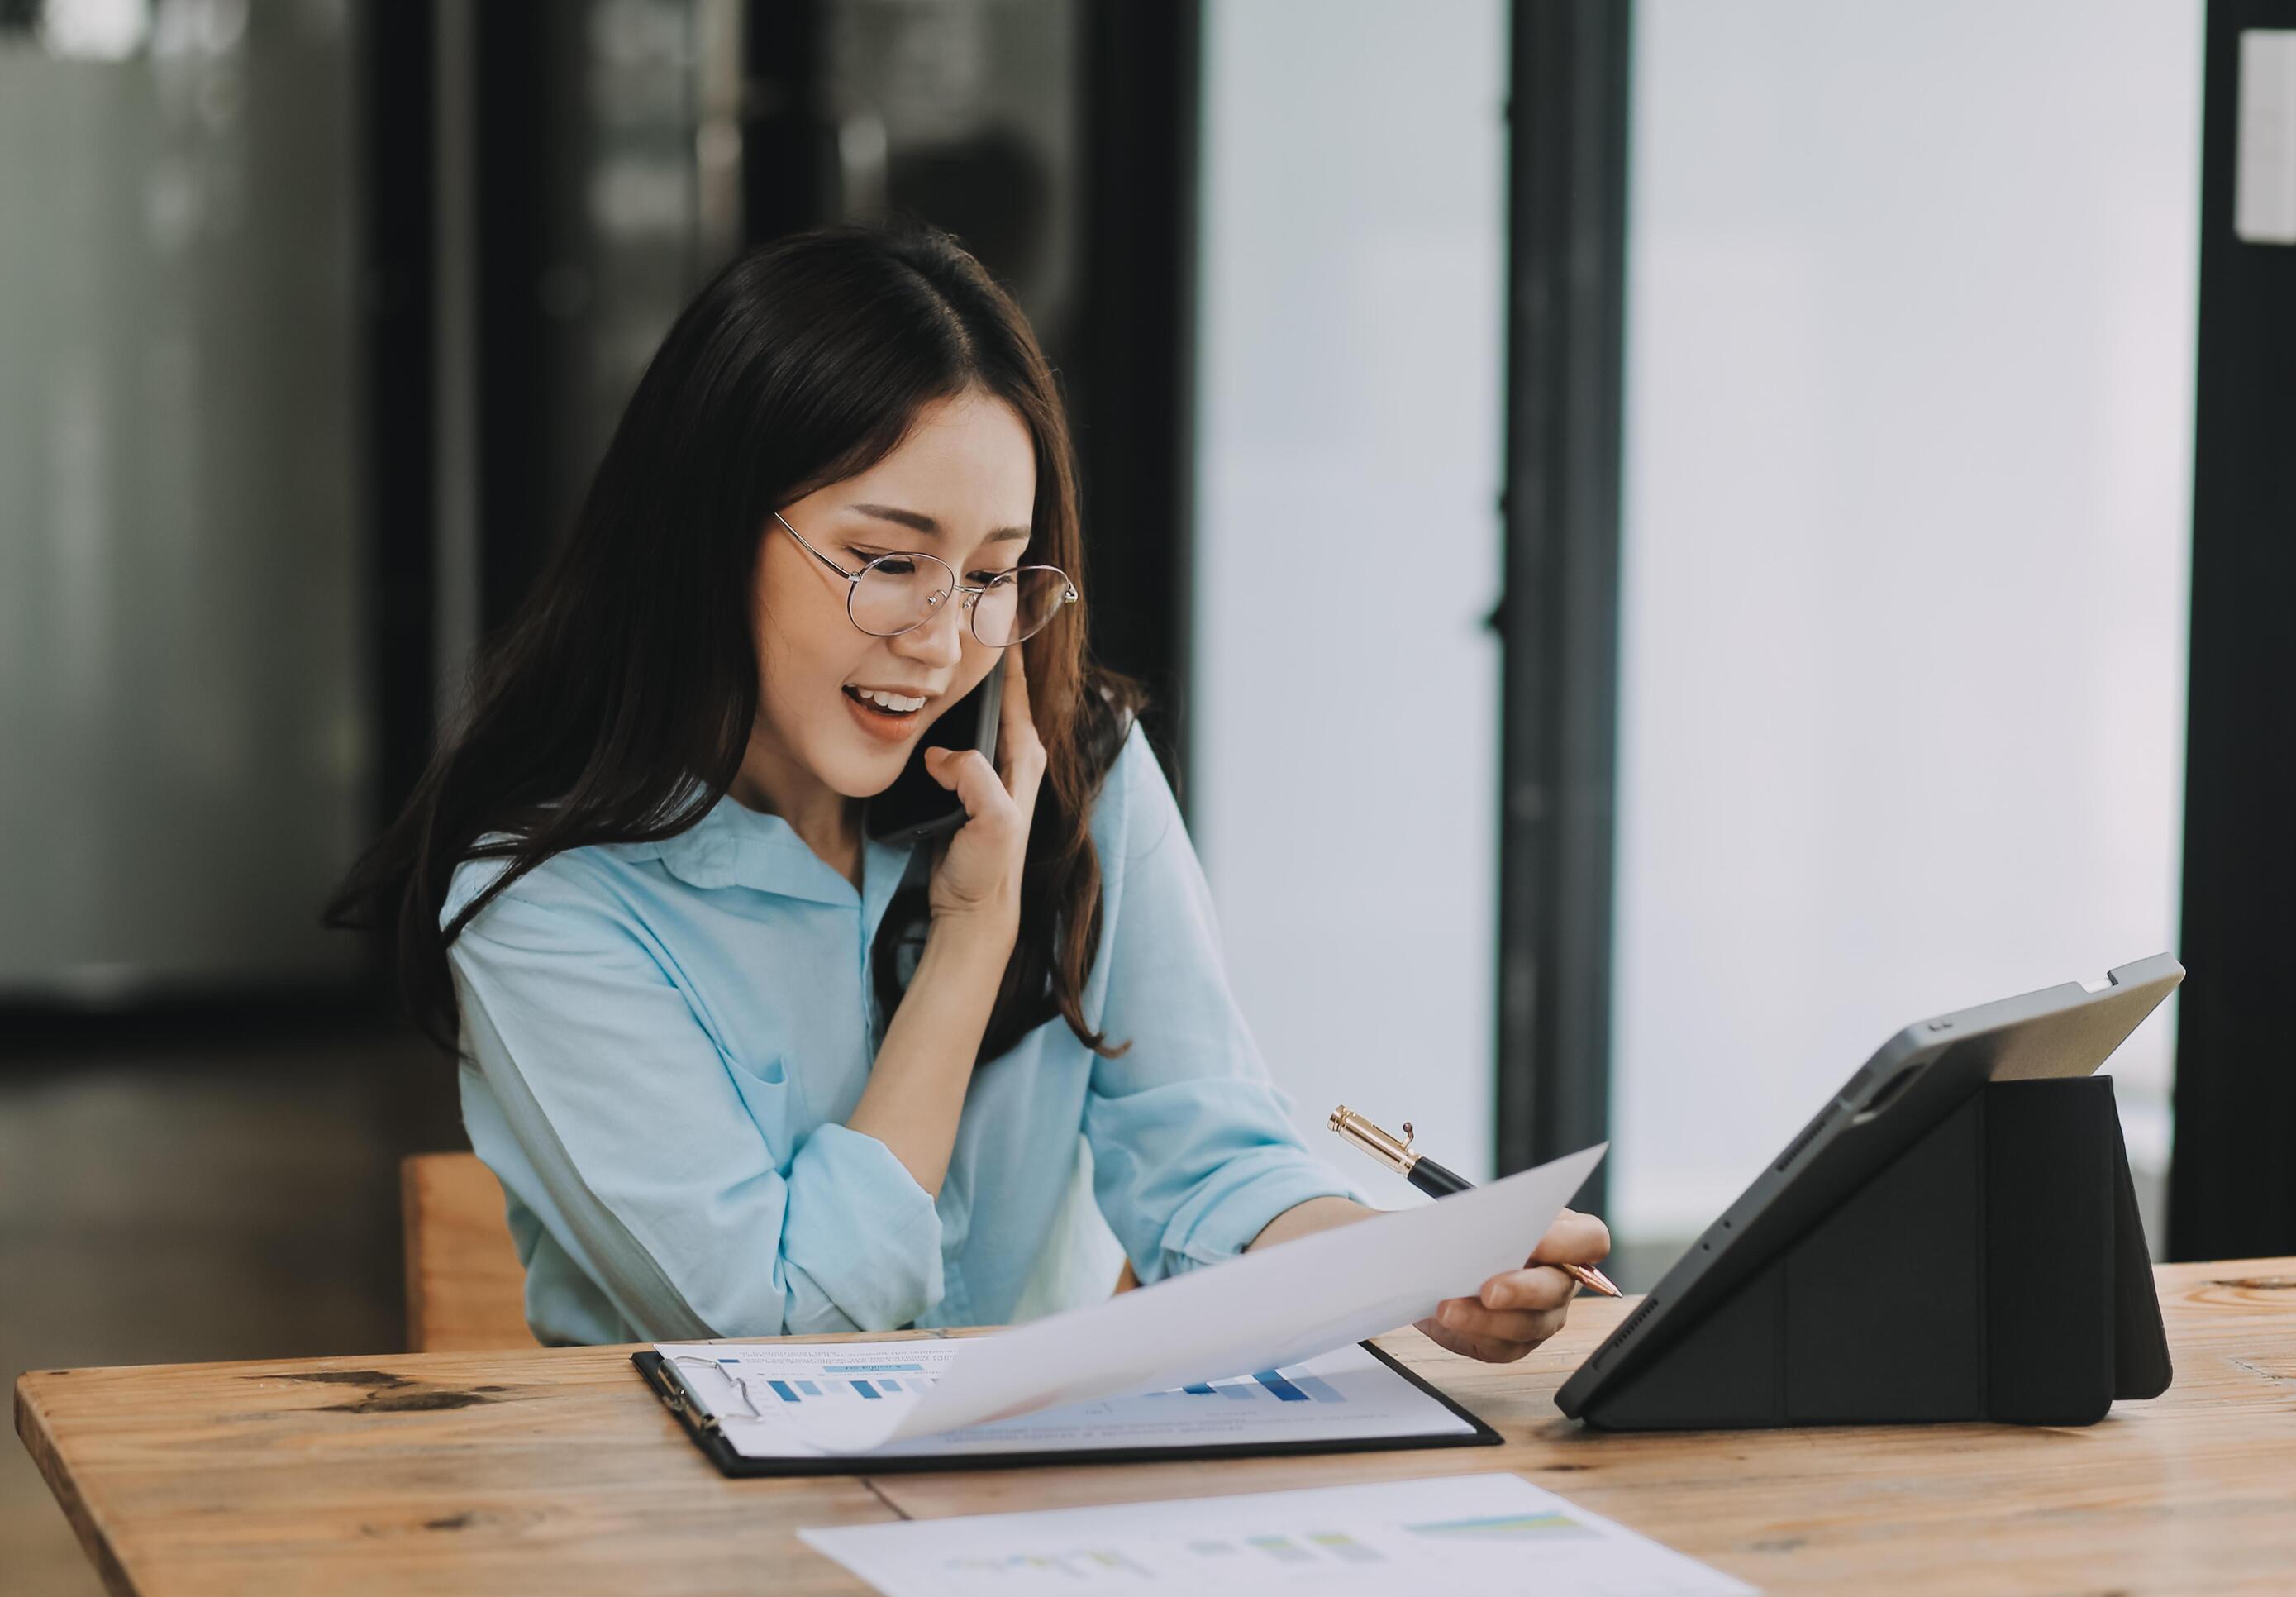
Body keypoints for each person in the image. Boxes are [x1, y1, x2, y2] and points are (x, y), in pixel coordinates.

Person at [330, 222, 1608, 1356]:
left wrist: (1405, 1277)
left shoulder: (1073, 756)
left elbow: (1206, 1157)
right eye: (889, 562)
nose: (944, 640)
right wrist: (967, 947)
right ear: (708, 536)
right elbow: (789, 1331)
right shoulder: (544, 895)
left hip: (1024, 1512)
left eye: (995, 575)